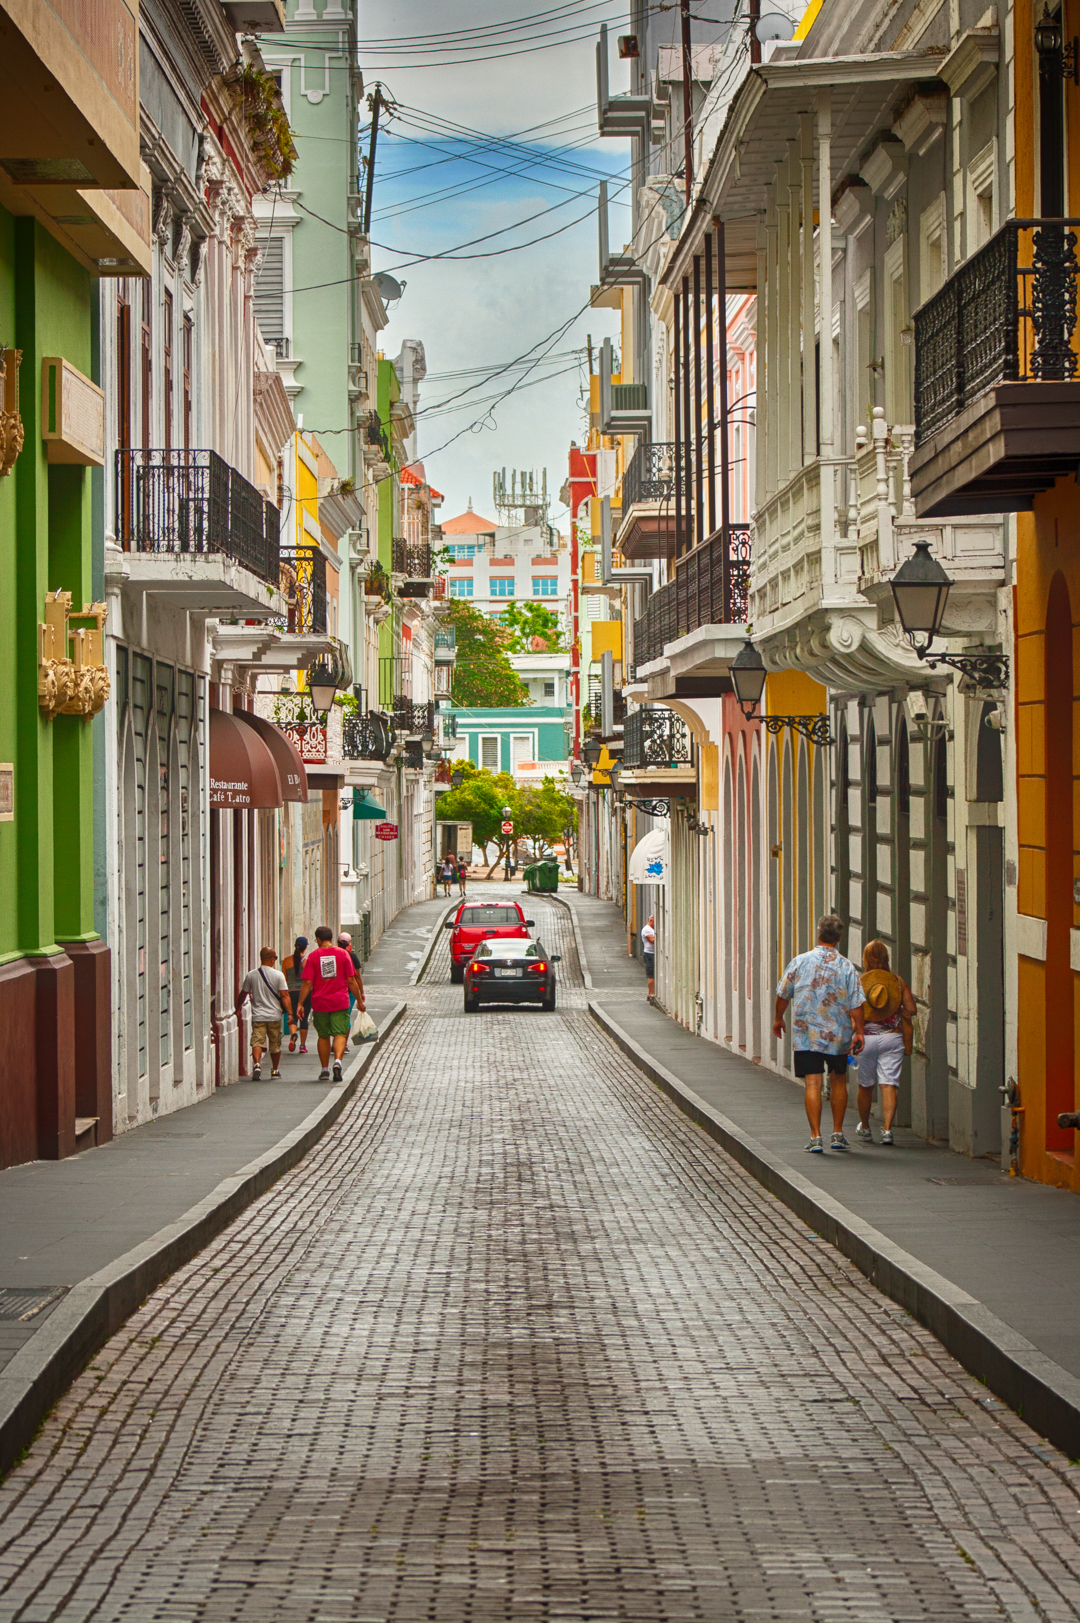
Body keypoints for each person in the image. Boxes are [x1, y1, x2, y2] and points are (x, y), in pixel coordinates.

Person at [774, 914, 866, 1154]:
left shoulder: (800, 961)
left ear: (818, 934)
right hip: (838, 1035)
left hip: (806, 1034)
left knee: (812, 1084)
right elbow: (857, 1003)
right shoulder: (846, 966)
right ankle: (837, 1133)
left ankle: (815, 1136)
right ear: (839, 938)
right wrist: (860, 1032)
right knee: (838, 1081)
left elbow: (783, 994)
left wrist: (778, 1019)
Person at [855, 940, 916, 1146]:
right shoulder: (897, 982)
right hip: (892, 1038)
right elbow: (912, 1009)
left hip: (867, 1039)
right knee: (889, 1084)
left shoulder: (861, 983)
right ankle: (887, 1130)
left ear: (865, 959)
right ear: (886, 958)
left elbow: (853, 1013)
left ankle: (865, 1127)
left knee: (865, 1086)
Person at [296, 926, 364, 1083]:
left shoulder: (313, 957)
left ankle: (325, 1069)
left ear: (318, 939)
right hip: (340, 1000)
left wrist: (300, 1003)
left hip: (320, 1002)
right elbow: (351, 980)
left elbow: (307, 982)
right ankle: (338, 1062)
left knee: (323, 1035)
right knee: (340, 1033)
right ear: (331, 939)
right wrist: (359, 1000)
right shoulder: (343, 954)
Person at [238, 947, 293, 1081]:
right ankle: (274, 1070)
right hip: (274, 1016)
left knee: (257, 1041)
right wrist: (290, 1013)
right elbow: (285, 995)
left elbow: (243, 993)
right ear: (271, 959)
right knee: (275, 1044)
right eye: (274, 958)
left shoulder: (251, 975)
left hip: (258, 1015)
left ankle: (257, 1064)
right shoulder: (278, 975)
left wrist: (237, 1007)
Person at [282, 935, 310, 1053]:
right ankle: (303, 1046)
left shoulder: (286, 961)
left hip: (291, 992)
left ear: (295, 946)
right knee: (304, 1018)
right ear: (306, 947)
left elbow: (284, 979)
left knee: (292, 1016)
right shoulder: (308, 961)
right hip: (305, 993)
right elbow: (309, 980)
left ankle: (293, 1034)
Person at [338, 932, 362, 1015]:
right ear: (349, 944)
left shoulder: (334, 955)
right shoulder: (352, 956)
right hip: (349, 989)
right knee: (346, 1014)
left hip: (337, 989)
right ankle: (346, 1027)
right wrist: (361, 992)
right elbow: (357, 976)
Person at [641, 914, 656, 999]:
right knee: (651, 975)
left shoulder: (651, 929)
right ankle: (650, 993)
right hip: (649, 954)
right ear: (651, 920)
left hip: (652, 953)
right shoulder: (647, 930)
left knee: (653, 974)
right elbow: (652, 940)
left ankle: (651, 993)